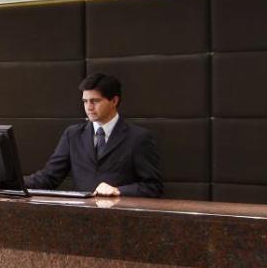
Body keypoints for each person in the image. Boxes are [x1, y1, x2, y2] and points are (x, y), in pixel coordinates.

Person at [25, 72, 163, 197]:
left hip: (119, 213)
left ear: (114, 101)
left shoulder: (138, 138)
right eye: (85, 101)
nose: (89, 107)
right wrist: (15, 183)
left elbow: (154, 187)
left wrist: (119, 190)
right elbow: (49, 177)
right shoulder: (73, 134)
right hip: (81, 214)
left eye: (95, 101)